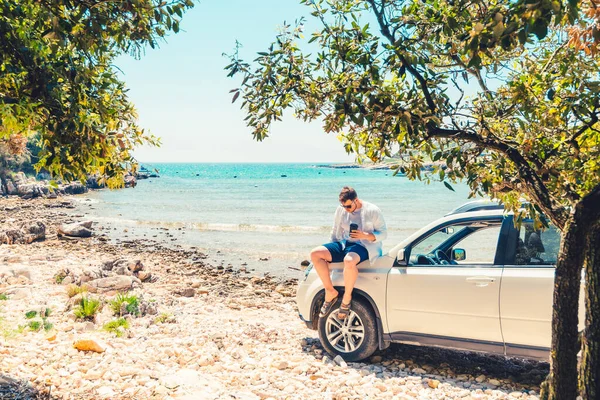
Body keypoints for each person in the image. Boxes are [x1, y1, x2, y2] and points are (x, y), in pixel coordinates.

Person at [310, 186, 387, 320]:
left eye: (348, 206)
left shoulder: (372, 210)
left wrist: (365, 235)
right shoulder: (341, 210)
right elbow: (335, 231)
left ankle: (347, 297)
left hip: (364, 245)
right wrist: (330, 252)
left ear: (356, 200)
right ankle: (330, 291)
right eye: (343, 206)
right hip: (344, 243)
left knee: (349, 260)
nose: (346, 209)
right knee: (315, 253)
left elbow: (383, 234)